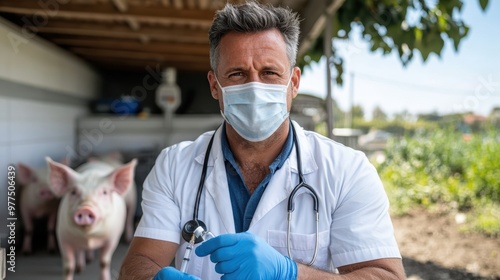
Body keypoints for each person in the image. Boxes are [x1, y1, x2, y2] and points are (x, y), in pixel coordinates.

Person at [119, 1, 406, 279]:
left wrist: (290, 273)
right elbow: (138, 264)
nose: (254, 87)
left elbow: (386, 276)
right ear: (214, 86)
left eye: (269, 72)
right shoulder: (174, 165)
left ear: (293, 83)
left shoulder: (347, 170)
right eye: (237, 74)